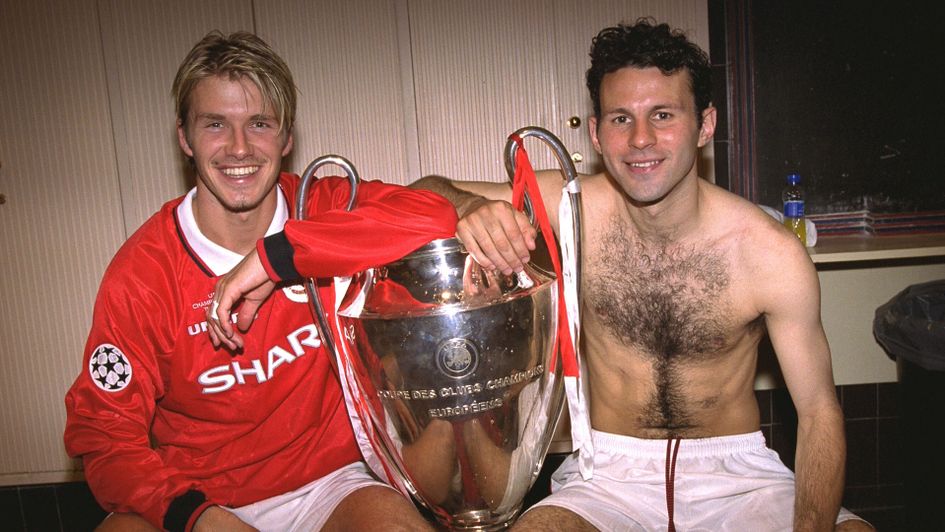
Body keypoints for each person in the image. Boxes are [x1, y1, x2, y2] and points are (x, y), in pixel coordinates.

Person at [410, 18, 872, 531]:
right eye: (621, 119)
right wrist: (471, 207)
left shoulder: (769, 254)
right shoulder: (571, 208)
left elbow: (819, 412)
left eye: (663, 115)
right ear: (596, 133)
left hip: (737, 478)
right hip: (610, 476)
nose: (641, 139)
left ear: (705, 125)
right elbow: (422, 190)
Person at [64, 30, 456, 532]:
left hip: (328, 487)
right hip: (197, 497)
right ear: (184, 138)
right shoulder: (143, 274)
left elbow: (434, 215)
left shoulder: (320, 206)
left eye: (259, 124)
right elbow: (104, 437)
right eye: (215, 124)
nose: (239, 148)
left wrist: (281, 257)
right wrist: (197, 517)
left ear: (286, 137)